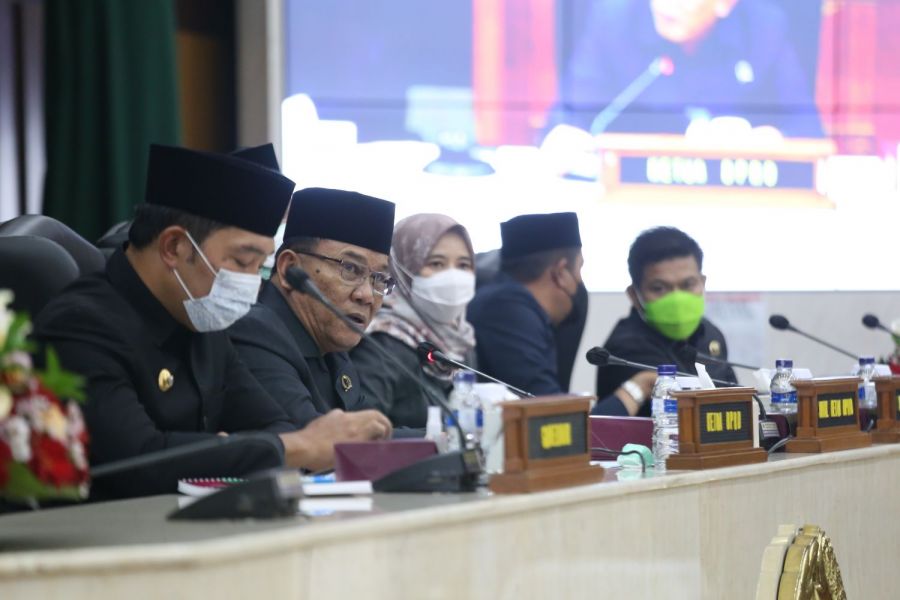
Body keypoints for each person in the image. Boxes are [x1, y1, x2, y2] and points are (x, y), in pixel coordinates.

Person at [34, 144, 392, 499]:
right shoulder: (81, 324)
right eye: (241, 261)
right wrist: (277, 448)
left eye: (259, 265)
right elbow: (138, 461)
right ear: (174, 247)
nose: (253, 283)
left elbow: (272, 423)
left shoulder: (203, 321)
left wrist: (236, 449)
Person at [228, 187, 398, 429]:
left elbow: (366, 436)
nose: (367, 296)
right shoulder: (255, 332)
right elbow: (314, 443)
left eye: (379, 279)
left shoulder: (332, 345)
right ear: (289, 268)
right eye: (350, 268)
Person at [467, 212, 655, 415]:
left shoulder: (516, 304)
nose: (579, 285)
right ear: (561, 272)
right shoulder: (507, 309)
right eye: (579, 269)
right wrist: (637, 388)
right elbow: (551, 415)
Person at [553, 0, 822, 137]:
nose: (668, 4)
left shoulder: (764, 28)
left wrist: (773, 138)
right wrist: (564, 138)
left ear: (726, 4)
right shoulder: (615, 19)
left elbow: (807, 127)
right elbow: (567, 115)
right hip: (635, 192)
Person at [351, 214, 477, 429]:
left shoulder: (461, 339)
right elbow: (363, 437)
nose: (453, 276)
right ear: (402, 268)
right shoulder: (381, 343)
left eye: (463, 265)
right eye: (436, 263)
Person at [594, 226, 737, 415]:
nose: (677, 299)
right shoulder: (626, 348)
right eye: (659, 288)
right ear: (634, 295)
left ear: (702, 283)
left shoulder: (710, 334)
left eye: (688, 284)